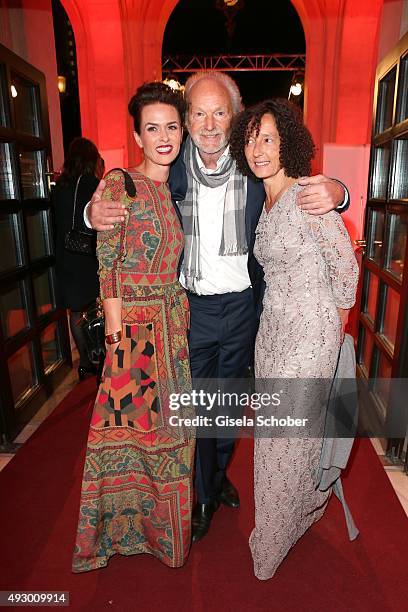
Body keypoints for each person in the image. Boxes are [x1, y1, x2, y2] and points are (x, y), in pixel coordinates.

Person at [86, 71, 349, 543]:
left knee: (228, 408)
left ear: (235, 116)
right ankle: (203, 493)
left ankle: (215, 475)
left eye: (220, 113)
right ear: (187, 121)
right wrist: (89, 213)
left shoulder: (254, 164)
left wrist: (339, 191)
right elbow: (126, 191)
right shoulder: (173, 164)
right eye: (199, 114)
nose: (209, 125)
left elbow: (300, 182)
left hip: (246, 308)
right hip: (190, 310)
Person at [229, 98, 359, 580]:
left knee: (281, 441)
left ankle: (272, 541)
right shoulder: (265, 201)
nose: (258, 149)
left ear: (288, 142)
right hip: (274, 331)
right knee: (284, 438)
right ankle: (304, 505)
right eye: (250, 139)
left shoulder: (308, 194)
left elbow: (345, 269)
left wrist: (329, 331)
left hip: (310, 333)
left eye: (268, 138)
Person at [72, 82, 195, 572]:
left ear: (181, 132)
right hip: (137, 332)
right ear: (137, 136)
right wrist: (118, 342)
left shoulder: (172, 187)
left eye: (171, 126)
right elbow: (109, 265)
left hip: (174, 329)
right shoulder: (119, 184)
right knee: (128, 436)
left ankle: (164, 536)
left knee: (172, 438)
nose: (163, 137)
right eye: (152, 128)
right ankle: (117, 535)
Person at [54, 137, 104, 380]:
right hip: (88, 256)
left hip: (65, 258)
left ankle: (84, 362)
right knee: (96, 308)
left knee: (75, 311)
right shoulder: (95, 185)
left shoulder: (59, 187)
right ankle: (99, 355)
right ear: (91, 159)